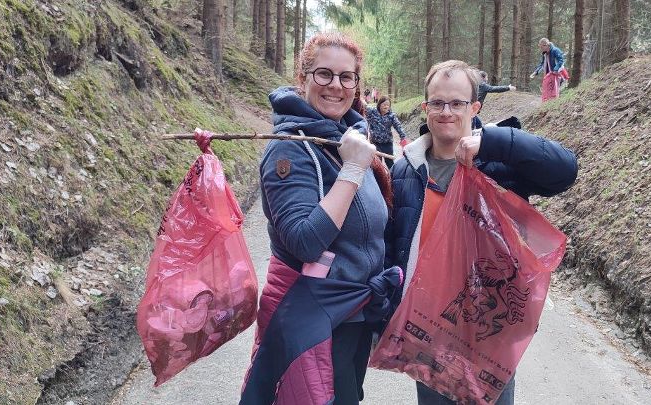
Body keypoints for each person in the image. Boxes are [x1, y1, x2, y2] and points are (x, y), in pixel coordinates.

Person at [385, 60, 578, 405]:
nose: (446, 112)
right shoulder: (405, 169)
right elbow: (394, 246)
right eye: (438, 103)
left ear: (475, 107)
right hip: (428, 332)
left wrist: (493, 142)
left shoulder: (500, 164)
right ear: (425, 107)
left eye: (457, 103)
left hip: (489, 331)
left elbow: (564, 170)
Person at [240, 32, 399, 405]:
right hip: (313, 316)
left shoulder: (346, 138)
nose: (336, 86)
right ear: (304, 77)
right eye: (324, 74)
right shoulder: (289, 149)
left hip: (351, 316)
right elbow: (305, 241)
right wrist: (353, 170)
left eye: (347, 77)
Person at [367, 95, 408, 168]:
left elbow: (398, 126)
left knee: (390, 164)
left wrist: (403, 137)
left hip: (387, 144)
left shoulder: (391, 116)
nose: (386, 107)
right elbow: (362, 108)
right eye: (384, 104)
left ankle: (392, 178)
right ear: (379, 104)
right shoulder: (372, 112)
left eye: (388, 105)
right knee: (376, 165)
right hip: (375, 143)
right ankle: (378, 179)